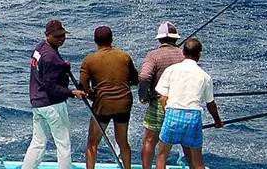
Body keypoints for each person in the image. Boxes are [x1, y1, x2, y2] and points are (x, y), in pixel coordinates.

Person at [21, 19, 88, 169]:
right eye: (57, 36)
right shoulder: (51, 58)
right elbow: (51, 87)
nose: (61, 39)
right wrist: (72, 92)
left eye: (63, 35)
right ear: (48, 35)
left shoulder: (40, 48)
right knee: (63, 145)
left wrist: (62, 66)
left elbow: (45, 71)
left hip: (38, 102)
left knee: (38, 142)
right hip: (53, 105)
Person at [154, 38, 223, 169]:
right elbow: (211, 104)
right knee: (197, 162)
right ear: (199, 55)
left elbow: (162, 97)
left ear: (183, 52)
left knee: (162, 156)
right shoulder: (205, 76)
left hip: (172, 114)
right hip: (193, 117)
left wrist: (168, 112)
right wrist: (217, 121)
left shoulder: (171, 70)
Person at [79, 26, 138, 169]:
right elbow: (135, 79)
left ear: (95, 41)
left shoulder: (89, 60)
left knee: (92, 143)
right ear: (112, 39)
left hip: (102, 106)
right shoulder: (124, 56)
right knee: (122, 142)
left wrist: (95, 97)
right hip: (124, 104)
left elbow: (83, 87)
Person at [138, 21, 188, 169]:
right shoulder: (184, 55)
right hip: (181, 105)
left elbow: (144, 77)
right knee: (186, 143)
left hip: (158, 103)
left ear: (159, 39)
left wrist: (143, 95)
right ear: (176, 39)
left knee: (150, 140)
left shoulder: (153, 55)